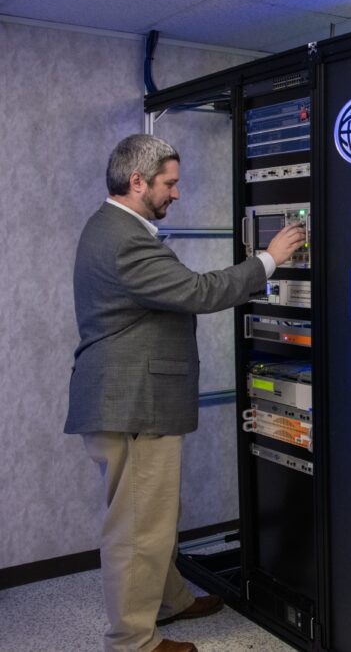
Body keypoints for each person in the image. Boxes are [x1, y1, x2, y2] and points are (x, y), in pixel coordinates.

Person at [65, 134, 306, 652]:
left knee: (155, 515)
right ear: (138, 181)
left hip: (129, 398)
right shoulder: (124, 237)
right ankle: (133, 642)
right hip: (132, 402)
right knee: (138, 528)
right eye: (170, 183)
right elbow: (199, 292)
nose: (176, 193)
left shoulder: (112, 228)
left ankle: (170, 599)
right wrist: (269, 258)